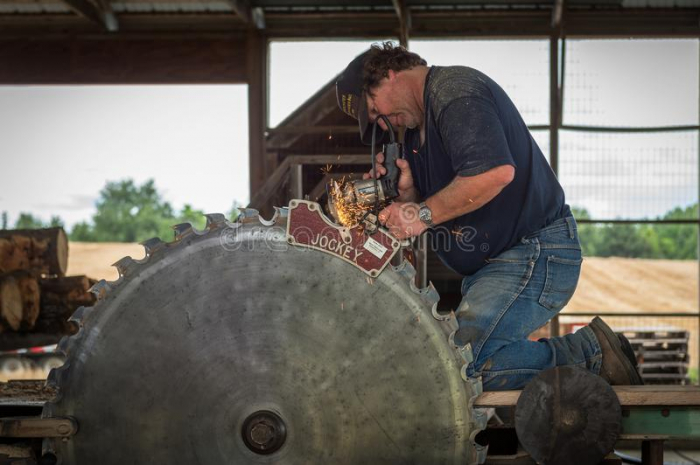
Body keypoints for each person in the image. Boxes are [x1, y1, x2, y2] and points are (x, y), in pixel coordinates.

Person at [335, 42, 642, 391]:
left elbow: (494, 173)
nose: (380, 123)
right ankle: (582, 366)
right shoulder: (416, 136)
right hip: (497, 267)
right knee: (466, 365)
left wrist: (421, 213)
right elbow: (453, 196)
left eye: (374, 109)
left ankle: (591, 354)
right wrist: (411, 196)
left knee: (464, 368)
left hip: (534, 253)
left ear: (388, 74)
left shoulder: (453, 92)